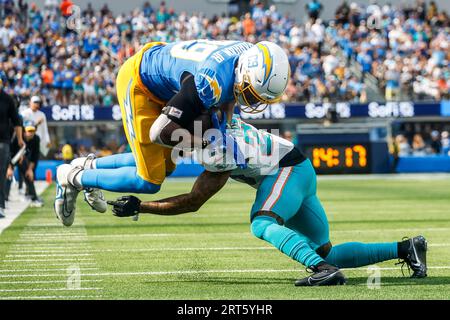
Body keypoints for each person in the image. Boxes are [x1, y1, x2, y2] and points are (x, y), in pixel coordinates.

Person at [108, 114, 428, 286]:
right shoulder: (219, 125)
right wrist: (142, 204)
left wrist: (142, 204)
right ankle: (406, 248)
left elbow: (193, 201)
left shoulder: (218, 150)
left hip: (286, 168)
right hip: (298, 169)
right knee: (325, 249)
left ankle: (321, 270)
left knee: (262, 222)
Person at [54, 40, 291, 227]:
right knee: (148, 180)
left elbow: (229, 95)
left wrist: (224, 127)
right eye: (250, 94)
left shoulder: (247, 56)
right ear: (244, 71)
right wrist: (202, 143)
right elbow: (160, 132)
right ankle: (72, 177)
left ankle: (89, 165)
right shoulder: (211, 82)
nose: (250, 101)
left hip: (167, 81)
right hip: (141, 82)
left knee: (167, 165)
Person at [0, 79, 25, 218]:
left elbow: (16, 121)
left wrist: (20, 139)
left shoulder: (7, 99)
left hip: (3, 141)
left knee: (1, 173)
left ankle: (0, 205)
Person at [6, 121, 43, 208]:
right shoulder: (16, 137)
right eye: (28, 131)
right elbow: (8, 152)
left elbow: (35, 156)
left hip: (22, 157)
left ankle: (34, 198)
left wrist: (30, 169)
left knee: (28, 175)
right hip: (11, 157)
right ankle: (4, 200)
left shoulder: (36, 139)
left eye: (32, 131)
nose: (30, 133)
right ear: (24, 131)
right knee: (7, 176)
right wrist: (9, 167)